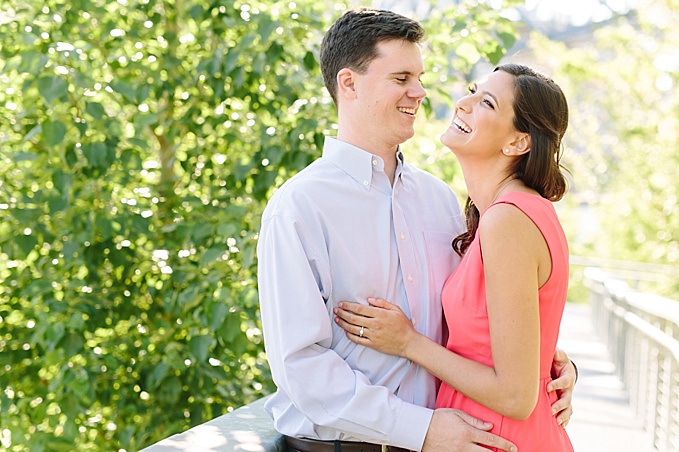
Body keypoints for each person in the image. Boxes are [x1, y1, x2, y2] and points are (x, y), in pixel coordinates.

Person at [257, 8, 575, 452]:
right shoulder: (298, 208)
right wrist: (419, 428)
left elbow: (483, 325)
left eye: (419, 77)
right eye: (401, 78)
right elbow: (301, 367)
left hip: (455, 440)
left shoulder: (440, 201)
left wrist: (550, 367)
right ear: (348, 84)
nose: (420, 92)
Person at [334, 63, 575, 451]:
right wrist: (557, 362)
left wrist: (407, 343)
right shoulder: (511, 213)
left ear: (517, 143)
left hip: (498, 439)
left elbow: (516, 396)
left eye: (487, 103)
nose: (463, 103)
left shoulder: (508, 220)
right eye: (473, 90)